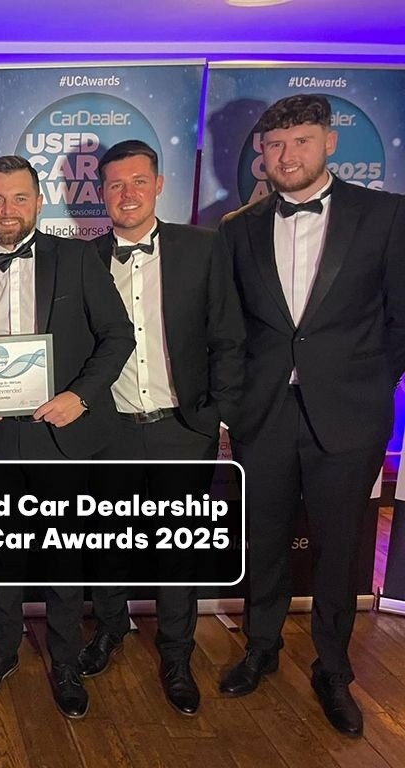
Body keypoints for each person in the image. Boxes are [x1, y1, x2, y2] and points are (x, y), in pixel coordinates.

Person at [218, 94, 405, 737]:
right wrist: (232, 406)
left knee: (339, 547)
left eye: (300, 140)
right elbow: (231, 328)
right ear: (260, 155)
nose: (287, 155)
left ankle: (333, 669)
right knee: (263, 540)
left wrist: (373, 387)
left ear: (329, 142)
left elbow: (401, 318)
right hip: (264, 412)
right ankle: (261, 649)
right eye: (275, 145)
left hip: (349, 415)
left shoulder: (386, 215)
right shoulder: (237, 228)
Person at [0, 155, 134, 718]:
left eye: (18, 198)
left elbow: (118, 335)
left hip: (66, 435)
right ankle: (1, 654)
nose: (7, 209)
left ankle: (64, 661)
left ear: (38, 203)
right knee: (0, 557)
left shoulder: (78, 258)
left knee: (64, 559)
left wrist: (80, 396)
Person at [79, 140, 244, 716]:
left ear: (159, 184)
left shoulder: (203, 247)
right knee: (108, 542)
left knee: (178, 549)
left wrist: (218, 413)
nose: (127, 194)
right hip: (110, 429)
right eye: (115, 185)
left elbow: (228, 336)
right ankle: (110, 630)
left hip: (183, 426)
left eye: (138, 182)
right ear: (101, 193)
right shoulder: (83, 259)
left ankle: (176, 653)